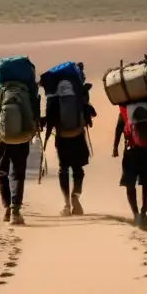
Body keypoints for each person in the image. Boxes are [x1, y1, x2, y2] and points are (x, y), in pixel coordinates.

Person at [44, 62, 96, 216]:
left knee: (63, 169)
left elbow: (49, 118)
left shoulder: (54, 98)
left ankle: (66, 204)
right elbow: (92, 113)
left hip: (62, 138)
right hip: (78, 136)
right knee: (78, 169)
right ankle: (76, 196)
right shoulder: (79, 94)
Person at [113, 97, 147, 229]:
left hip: (130, 150)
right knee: (146, 183)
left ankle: (136, 214)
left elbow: (119, 128)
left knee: (129, 184)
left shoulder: (125, 109)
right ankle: (143, 212)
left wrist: (115, 147)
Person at [0, 99, 32, 226]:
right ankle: (15, 210)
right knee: (18, 175)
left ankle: (7, 209)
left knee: (3, 173)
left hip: (2, 141)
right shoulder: (26, 98)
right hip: (22, 140)